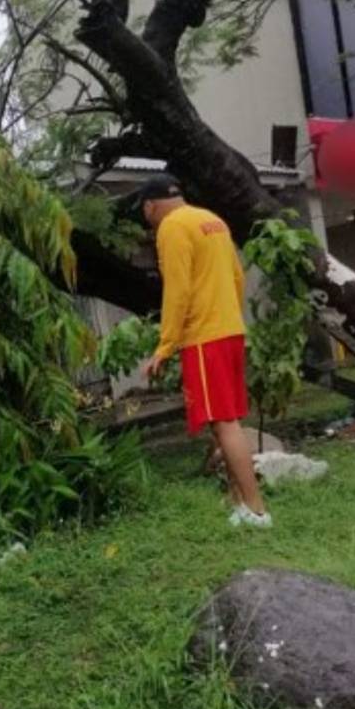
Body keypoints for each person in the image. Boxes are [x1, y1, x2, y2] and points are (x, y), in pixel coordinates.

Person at [133, 174, 271, 528]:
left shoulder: (172, 227)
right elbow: (237, 276)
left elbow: (177, 291)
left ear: (151, 205)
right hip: (228, 330)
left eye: (145, 212)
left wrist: (164, 346)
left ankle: (257, 510)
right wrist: (228, 315)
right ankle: (238, 502)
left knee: (225, 423)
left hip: (205, 336)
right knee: (223, 420)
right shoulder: (212, 220)